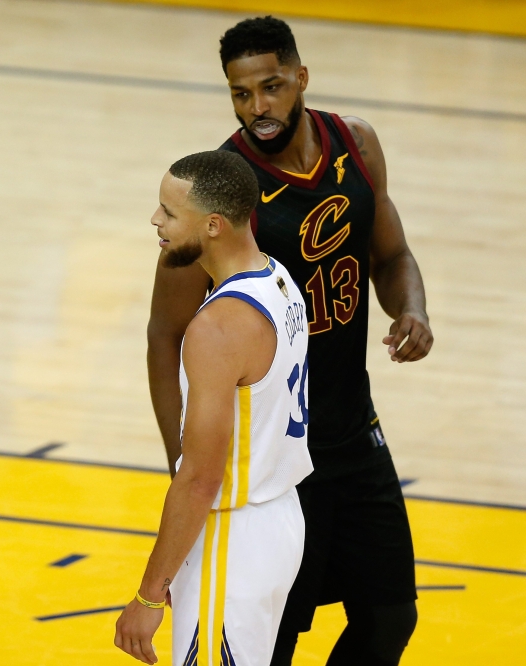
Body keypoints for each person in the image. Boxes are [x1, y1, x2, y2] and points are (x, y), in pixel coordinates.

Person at [146, 17, 432, 666]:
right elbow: (164, 334)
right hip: (277, 460)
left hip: (354, 429)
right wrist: (180, 460)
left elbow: (392, 255)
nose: (258, 107)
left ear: (301, 78)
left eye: (271, 87)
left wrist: (411, 309)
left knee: (391, 618)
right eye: (241, 93)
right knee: (276, 640)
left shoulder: (356, 144)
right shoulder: (221, 193)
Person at [116, 151, 312, 666]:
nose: (155, 221)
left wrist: (148, 595)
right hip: (279, 517)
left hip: (234, 533)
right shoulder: (279, 280)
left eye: (168, 212)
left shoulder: (218, 327)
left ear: (212, 225)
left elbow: (201, 477)